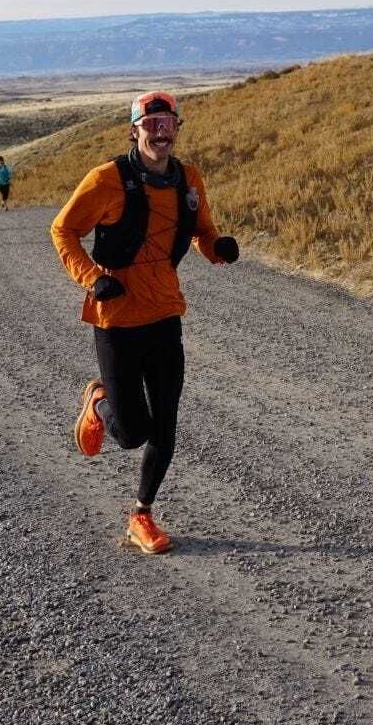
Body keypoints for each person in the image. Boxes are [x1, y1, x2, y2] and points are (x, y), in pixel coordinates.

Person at [50, 91, 239, 555]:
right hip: (116, 318)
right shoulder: (106, 179)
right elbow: (63, 230)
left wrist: (217, 249)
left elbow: (201, 231)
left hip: (165, 314)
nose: (160, 131)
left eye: (167, 122)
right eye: (150, 123)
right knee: (133, 432)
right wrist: (92, 278)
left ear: (177, 128)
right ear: (133, 130)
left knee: (166, 425)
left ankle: (141, 514)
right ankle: (98, 402)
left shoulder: (188, 179)